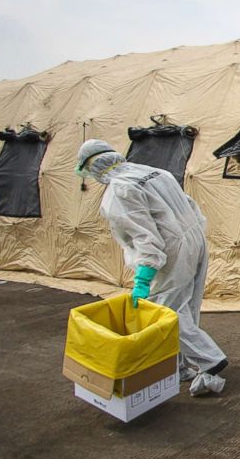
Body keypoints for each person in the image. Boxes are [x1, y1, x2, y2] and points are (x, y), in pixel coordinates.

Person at [75, 139, 228, 396]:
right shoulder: (154, 172)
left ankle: (209, 359)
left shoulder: (119, 191)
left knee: (164, 311)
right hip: (194, 238)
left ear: (93, 168)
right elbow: (189, 205)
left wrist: (143, 278)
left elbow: (146, 237)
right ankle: (179, 366)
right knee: (186, 305)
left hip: (171, 251)